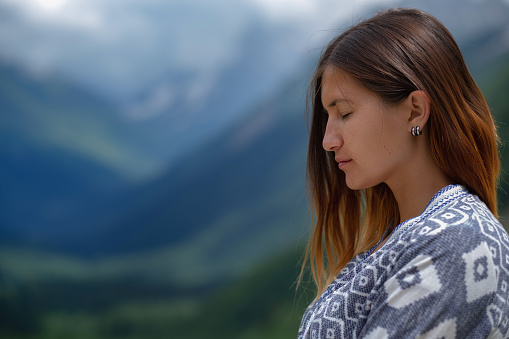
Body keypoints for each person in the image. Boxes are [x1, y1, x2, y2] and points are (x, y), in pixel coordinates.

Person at [298, 8, 509, 339]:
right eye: (328, 117)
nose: (328, 140)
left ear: (415, 111)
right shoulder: (405, 239)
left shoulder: (456, 243)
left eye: (345, 113)